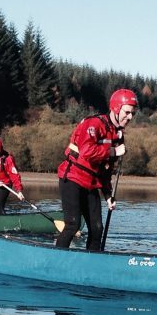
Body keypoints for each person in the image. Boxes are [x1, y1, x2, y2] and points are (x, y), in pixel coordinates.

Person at [55, 88, 137, 251]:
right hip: (72, 178)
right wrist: (114, 151)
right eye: (127, 112)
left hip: (91, 184)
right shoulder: (94, 124)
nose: (130, 117)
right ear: (116, 108)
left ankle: (92, 261)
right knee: (73, 224)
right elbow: (86, 151)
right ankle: (56, 258)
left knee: (97, 228)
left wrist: (107, 195)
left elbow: (106, 169)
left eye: (132, 114)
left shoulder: (118, 135)